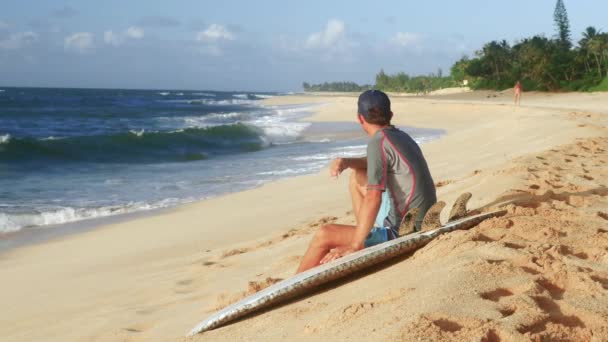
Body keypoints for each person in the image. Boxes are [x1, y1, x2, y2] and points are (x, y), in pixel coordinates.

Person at [296, 90, 437, 273]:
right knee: (357, 177)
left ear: (360, 119)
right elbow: (377, 162)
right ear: (391, 115)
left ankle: (298, 276)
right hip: (425, 215)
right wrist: (347, 162)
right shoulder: (400, 136)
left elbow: (373, 198)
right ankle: (365, 235)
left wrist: (354, 246)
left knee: (324, 234)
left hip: (405, 228)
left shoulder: (377, 143)